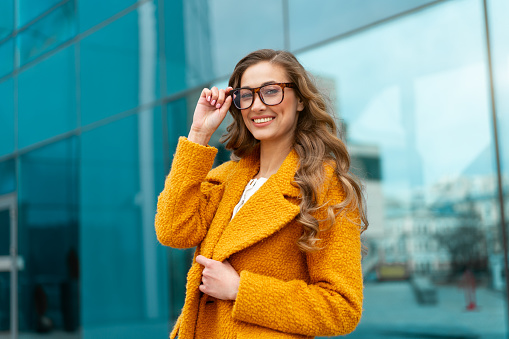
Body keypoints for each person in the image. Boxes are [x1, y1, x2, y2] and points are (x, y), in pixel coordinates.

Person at [155, 49, 368, 339]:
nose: (257, 105)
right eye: (246, 95)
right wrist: (198, 134)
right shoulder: (225, 178)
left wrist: (241, 290)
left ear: (301, 100)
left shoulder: (325, 187)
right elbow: (173, 231)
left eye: (271, 91)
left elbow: (342, 308)